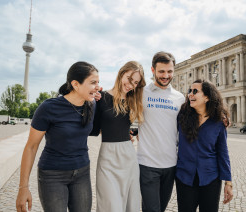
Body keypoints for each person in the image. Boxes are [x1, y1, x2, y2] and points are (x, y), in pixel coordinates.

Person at [16, 62, 100, 212]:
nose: (97, 87)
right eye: (93, 82)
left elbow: (96, 128)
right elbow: (31, 147)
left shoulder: (91, 105)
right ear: (75, 84)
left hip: (82, 173)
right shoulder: (48, 108)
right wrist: (23, 187)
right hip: (52, 176)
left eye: (98, 83)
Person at [90, 61, 146, 212]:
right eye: (129, 79)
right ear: (122, 73)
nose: (131, 85)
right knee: (110, 206)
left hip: (128, 157)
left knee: (130, 205)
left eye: (135, 83)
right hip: (107, 158)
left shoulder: (133, 100)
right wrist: (89, 103)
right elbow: (93, 130)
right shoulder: (100, 98)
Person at [137, 51, 185, 212]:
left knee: (160, 208)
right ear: (153, 70)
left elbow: (193, 121)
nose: (166, 75)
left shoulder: (180, 98)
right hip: (147, 164)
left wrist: (220, 118)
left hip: (171, 165)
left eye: (169, 71)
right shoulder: (141, 93)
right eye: (161, 71)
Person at [175, 79, 233, 212]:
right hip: (184, 178)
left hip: (210, 178)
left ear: (207, 97)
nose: (190, 94)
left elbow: (223, 152)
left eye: (195, 91)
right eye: (190, 91)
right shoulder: (181, 116)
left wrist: (228, 182)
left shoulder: (218, 122)